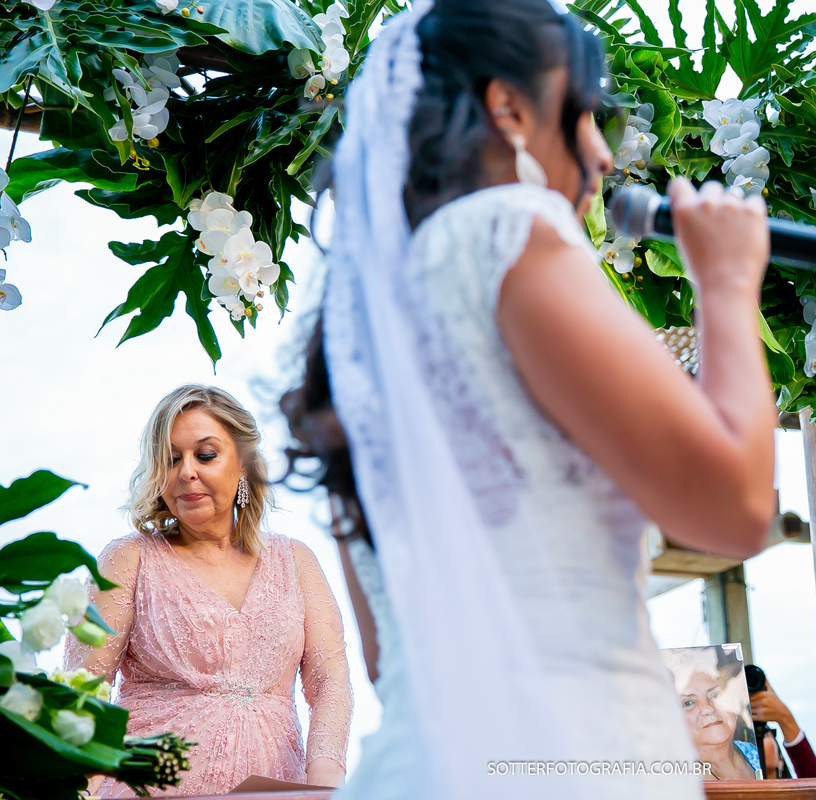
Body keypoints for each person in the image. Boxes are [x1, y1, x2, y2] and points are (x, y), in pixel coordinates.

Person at [281, 0, 776, 796]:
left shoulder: (361, 344)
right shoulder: (508, 228)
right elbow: (736, 507)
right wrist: (724, 283)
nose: (600, 157)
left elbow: (385, 659)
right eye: (586, 118)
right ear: (509, 108)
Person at [66, 385, 353, 796]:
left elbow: (330, 683)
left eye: (205, 455)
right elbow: (81, 693)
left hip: (274, 790)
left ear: (243, 465)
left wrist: (325, 777)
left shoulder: (296, 561)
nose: (186, 472)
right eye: (170, 459)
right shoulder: (129, 559)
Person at [677, 667, 758, 781]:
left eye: (715, 695)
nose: (708, 709)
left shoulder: (756, 754)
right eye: (688, 703)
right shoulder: (675, 780)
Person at [748, 678, 816, 779]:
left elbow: (815, 785)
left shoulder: (795, 793)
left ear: (780, 757)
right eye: (748, 736)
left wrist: (785, 718)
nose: (756, 743)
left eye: (763, 733)